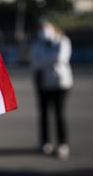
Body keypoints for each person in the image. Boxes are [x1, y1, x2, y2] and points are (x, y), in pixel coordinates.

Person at [30, 19, 73, 160]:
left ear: (54, 28)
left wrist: (44, 60)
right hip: (42, 83)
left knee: (59, 114)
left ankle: (62, 144)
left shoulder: (63, 41)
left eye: (46, 28)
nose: (43, 32)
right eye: (41, 29)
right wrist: (48, 60)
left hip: (60, 83)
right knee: (43, 114)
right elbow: (34, 62)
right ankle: (45, 142)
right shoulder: (37, 43)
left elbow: (60, 58)